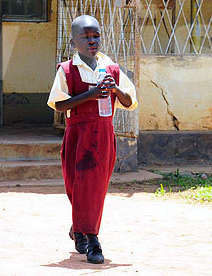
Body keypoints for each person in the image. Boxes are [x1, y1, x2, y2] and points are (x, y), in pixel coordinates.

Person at [47, 15, 138, 264]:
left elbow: (129, 102)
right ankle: (80, 227)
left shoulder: (111, 69)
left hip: (102, 136)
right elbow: (58, 104)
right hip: (77, 135)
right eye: (85, 37)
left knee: (94, 188)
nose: (91, 41)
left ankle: (93, 240)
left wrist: (115, 89)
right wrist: (91, 94)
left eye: (95, 35)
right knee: (75, 186)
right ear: (74, 41)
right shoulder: (67, 69)